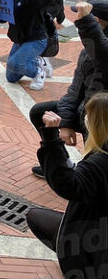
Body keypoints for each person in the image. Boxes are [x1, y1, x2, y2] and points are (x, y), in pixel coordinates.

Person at [26, 91, 108, 277]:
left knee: (35, 216)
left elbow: (64, 182)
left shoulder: (97, 164)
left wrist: (51, 138)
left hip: (91, 249)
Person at [28, 1, 108, 179]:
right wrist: (65, 123)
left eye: (81, 16)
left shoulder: (98, 46)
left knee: (93, 160)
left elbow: (104, 55)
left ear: (94, 20)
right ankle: (58, 161)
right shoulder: (87, 51)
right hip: (84, 109)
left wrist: (86, 23)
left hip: (102, 117)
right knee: (39, 112)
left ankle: (87, 179)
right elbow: (75, 90)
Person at [0, 0, 55, 90]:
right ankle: (37, 60)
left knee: (15, 64)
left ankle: (38, 71)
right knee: (11, 77)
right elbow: (2, 19)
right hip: (20, 39)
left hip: (36, 39)